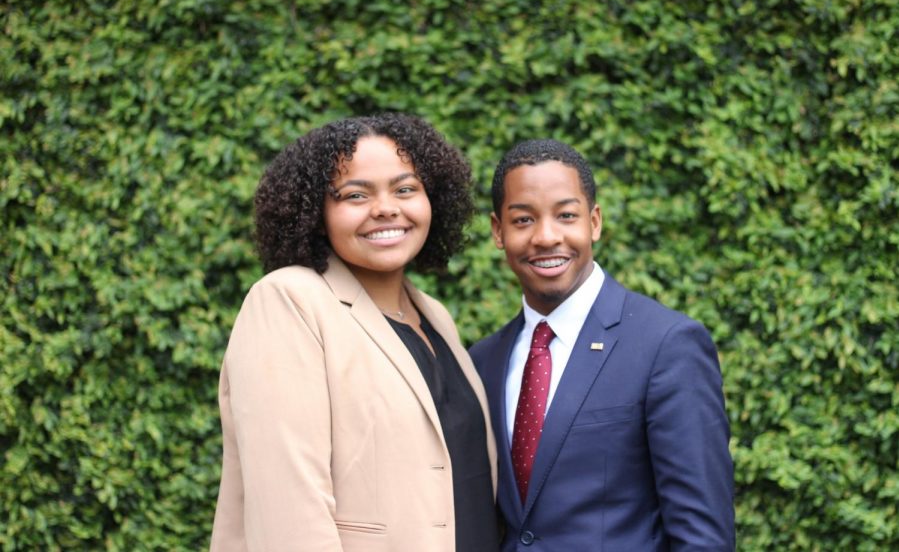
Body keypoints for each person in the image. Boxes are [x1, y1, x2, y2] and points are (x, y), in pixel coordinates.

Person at [211, 114, 500, 552]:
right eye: (355, 194)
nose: (386, 207)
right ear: (315, 211)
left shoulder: (435, 316)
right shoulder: (289, 301)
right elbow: (289, 513)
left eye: (405, 189)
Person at [469, 139, 734, 551]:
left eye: (566, 215)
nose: (545, 236)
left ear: (594, 222)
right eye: (523, 220)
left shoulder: (667, 345)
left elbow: (702, 537)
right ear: (497, 231)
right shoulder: (483, 361)